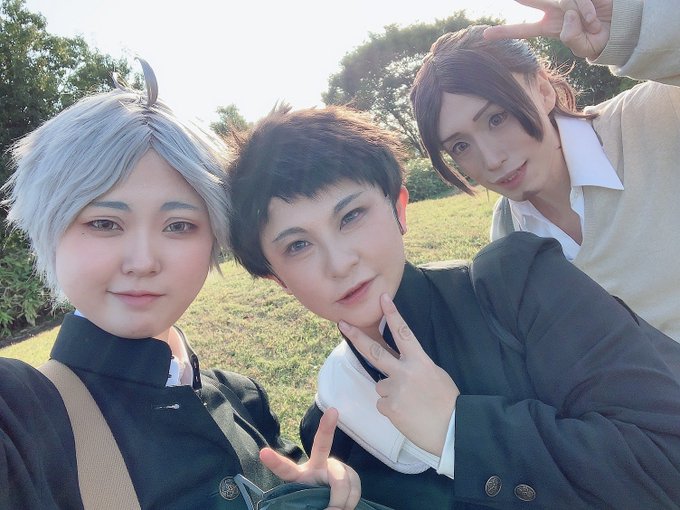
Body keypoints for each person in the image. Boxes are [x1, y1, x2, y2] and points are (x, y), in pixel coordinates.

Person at [226, 104, 680, 509]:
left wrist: (459, 432)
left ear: (399, 208)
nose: (340, 262)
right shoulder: (332, 426)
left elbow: (667, 459)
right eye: (298, 245)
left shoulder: (519, 284)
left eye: (351, 216)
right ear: (276, 277)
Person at [0, 61, 362, 510]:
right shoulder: (19, 415)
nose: (143, 262)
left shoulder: (242, 397)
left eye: (178, 225)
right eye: (104, 223)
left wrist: (309, 490)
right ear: (49, 231)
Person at [409, 0, 680, 342]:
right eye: (460, 146)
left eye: (497, 118)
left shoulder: (652, 115)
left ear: (543, 90)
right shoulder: (509, 236)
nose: (491, 160)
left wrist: (632, 23)